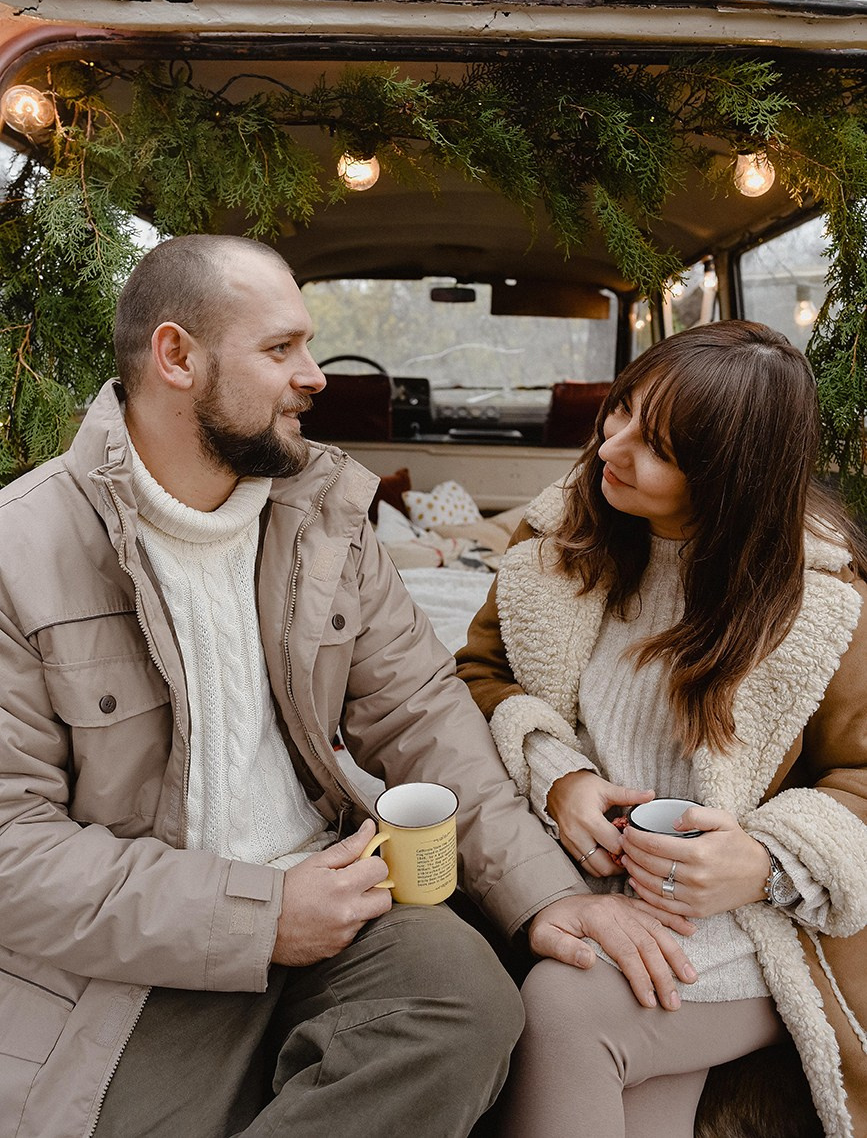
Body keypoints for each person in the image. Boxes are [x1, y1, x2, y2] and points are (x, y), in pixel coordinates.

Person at [0, 233, 699, 1138]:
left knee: (468, 1006)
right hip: (136, 949)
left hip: (338, 895)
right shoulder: (21, 552)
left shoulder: (322, 518)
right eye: (280, 348)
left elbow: (423, 717)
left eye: (310, 345)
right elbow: (14, 852)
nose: (315, 375)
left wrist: (545, 896)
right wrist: (259, 918)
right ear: (177, 356)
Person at [456, 320, 867, 1138]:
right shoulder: (551, 553)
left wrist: (762, 861)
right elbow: (477, 678)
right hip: (583, 879)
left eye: (661, 446)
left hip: (756, 917)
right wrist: (556, 774)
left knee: (569, 1005)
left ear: (731, 475)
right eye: (623, 410)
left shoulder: (820, 607)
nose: (612, 445)